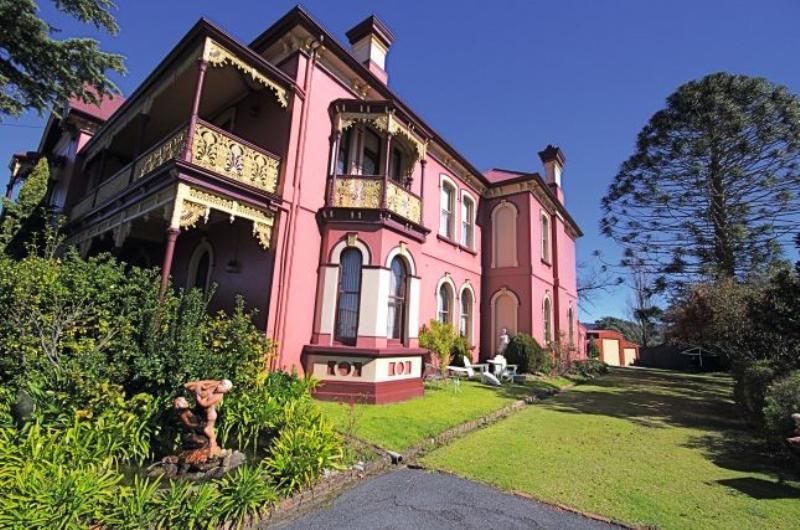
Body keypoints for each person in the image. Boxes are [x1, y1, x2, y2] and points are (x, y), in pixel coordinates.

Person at [184, 379, 233, 456]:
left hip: (210, 415)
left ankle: (213, 443)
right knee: (201, 427)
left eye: (224, 389)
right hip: (202, 413)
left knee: (207, 429)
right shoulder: (216, 383)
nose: (219, 387)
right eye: (220, 385)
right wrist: (198, 386)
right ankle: (210, 444)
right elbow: (202, 383)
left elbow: (204, 404)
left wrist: (197, 396)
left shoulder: (219, 396)